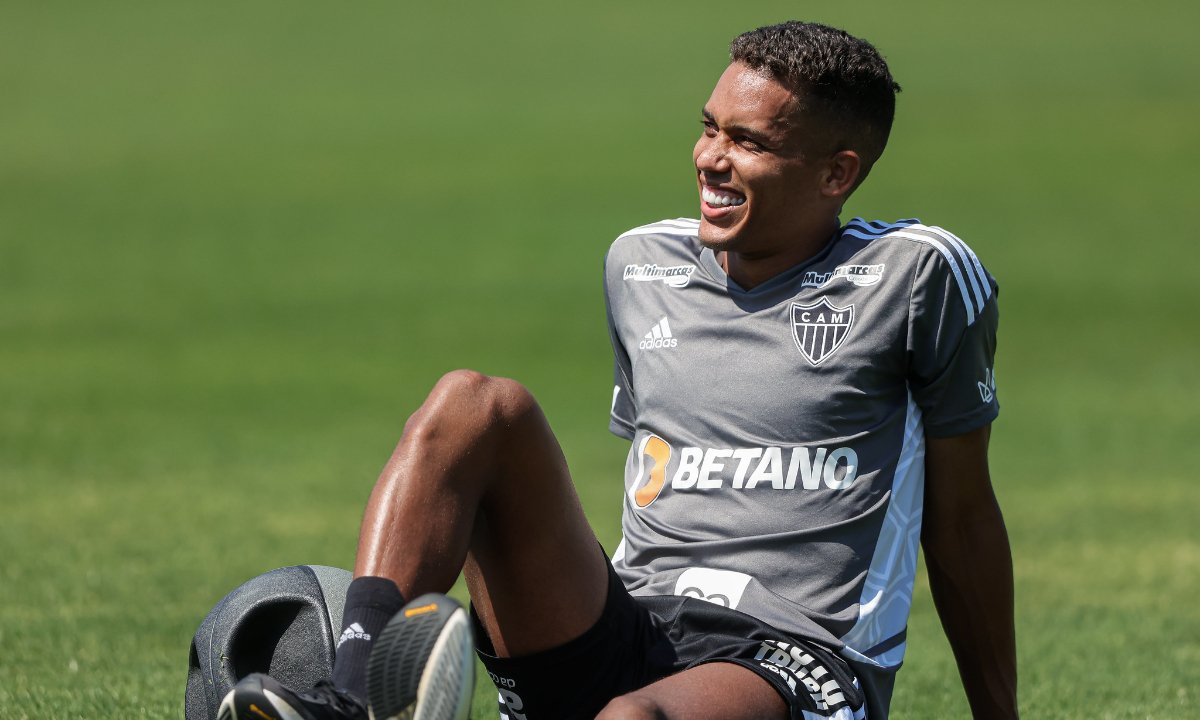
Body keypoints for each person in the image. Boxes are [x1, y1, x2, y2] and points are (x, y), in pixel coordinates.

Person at [219, 20, 1018, 720]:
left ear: (836, 174)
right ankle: (351, 698)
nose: (711, 158)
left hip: (791, 656)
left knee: (635, 717)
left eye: (749, 142)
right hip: (631, 621)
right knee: (473, 405)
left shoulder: (917, 275)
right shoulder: (640, 263)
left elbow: (963, 520)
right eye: (709, 128)